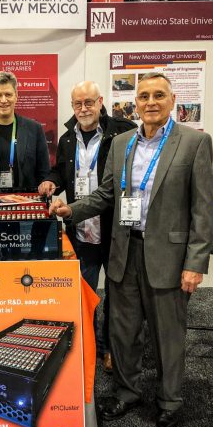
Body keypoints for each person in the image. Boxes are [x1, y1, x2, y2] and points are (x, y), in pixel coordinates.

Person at [49, 72, 213, 427]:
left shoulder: (194, 143)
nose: (150, 102)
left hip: (168, 257)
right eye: (143, 96)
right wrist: (71, 210)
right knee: (123, 330)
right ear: (134, 103)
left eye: (158, 95)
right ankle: (127, 391)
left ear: (172, 101)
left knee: (167, 333)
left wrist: (195, 263)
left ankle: (170, 401)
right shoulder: (123, 143)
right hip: (124, 249)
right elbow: (107, 194)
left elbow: (204, 208)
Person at [38, 81, 137, 373]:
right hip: (81, 229)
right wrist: (51, 181)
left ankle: (109, 349)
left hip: (114, 229)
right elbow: (61, 171)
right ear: (72, 106)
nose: (84, 109)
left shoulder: (122, 131)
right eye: (78, 104)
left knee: (117, 297)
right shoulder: (68, 139)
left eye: (89, 103)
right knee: (85, 294)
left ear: (100, 101)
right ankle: (89, 344)